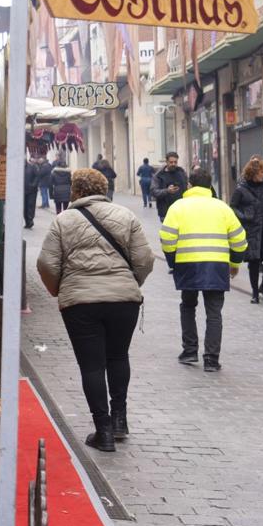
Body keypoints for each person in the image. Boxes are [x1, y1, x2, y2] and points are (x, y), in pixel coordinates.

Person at [37, 169, 154, 452]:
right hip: (123, 301)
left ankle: (103, 431)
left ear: (75, 190)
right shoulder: (126, 216)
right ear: (104, 187)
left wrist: (59, 290)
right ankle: (120, 421)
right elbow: (145, 259)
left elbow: (47, 264)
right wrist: (128, 283)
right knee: (117, 356)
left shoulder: (63, 221)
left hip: (80, 303)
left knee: (91, 365)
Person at [160, 167, 247, 373]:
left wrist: (173, 262)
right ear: (210, 185)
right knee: (214, 313)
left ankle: (190, 350)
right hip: (217, 265)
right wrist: (234, 264)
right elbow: (239, 240)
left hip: (188, 263)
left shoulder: (178, 207)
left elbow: (167, 238)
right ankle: (211, 359)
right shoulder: (222, 208)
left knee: (188, 306)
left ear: (189, 184)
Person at [229, 157, 263, 304]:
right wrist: (244, 216)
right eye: (262, 172)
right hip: (251, 230)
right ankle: (254, 293)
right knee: (254, 262)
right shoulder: (241, 189)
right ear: (253, 173)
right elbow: (233, 206)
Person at [152, 151, 189, 221]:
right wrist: (167, 191)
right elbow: (154, 191)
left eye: (175, 162)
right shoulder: (159, 175)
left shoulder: (182, 173)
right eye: (171, 162)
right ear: (166, 162)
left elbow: (187, 187)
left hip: (181, 211)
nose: (173, 164)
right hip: (166, 212)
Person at [24, 157, 41, 229]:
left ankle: (30, 221)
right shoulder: (19, 169)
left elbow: (37, 176)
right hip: (23, 191)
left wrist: (33, 184)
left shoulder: (32, 167)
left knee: (30, 205)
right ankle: (27, 221)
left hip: (32, 191)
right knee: (24, 207)